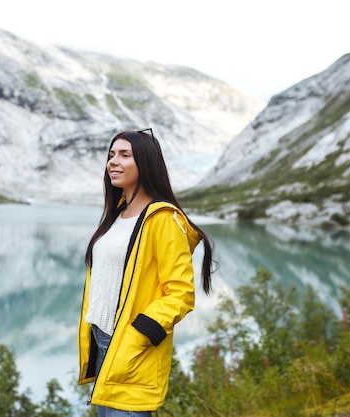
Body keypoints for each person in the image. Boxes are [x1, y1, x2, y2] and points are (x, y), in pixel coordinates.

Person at [77, 128, 214, 416]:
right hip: (102, 341)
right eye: (111, 155)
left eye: (125, 155)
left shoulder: (163, 219)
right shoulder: (117, 214)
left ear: (146, 163)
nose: (113, 161)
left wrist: (137, 336)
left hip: (130, 347)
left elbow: (180, 294)